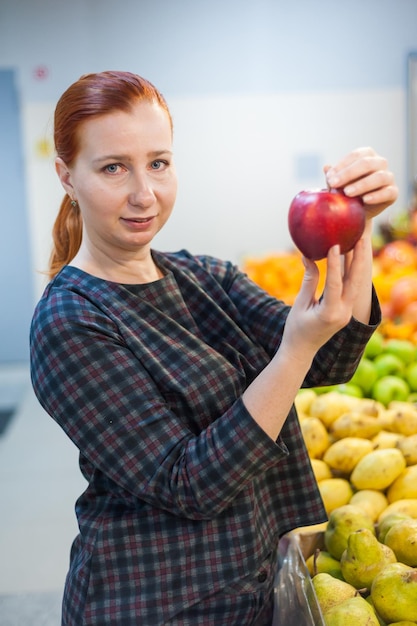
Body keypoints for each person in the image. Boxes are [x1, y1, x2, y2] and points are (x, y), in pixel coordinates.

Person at [30, 70, 398, 626]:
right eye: (113, 167)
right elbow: (189, 484)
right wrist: (291, 353)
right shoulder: (71, 320)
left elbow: (332, 358)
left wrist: (356, 228)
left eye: (158, 162)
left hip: (245, 586)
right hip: (153, 603)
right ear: (67, 176)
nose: (144, 193)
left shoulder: (203, 276)